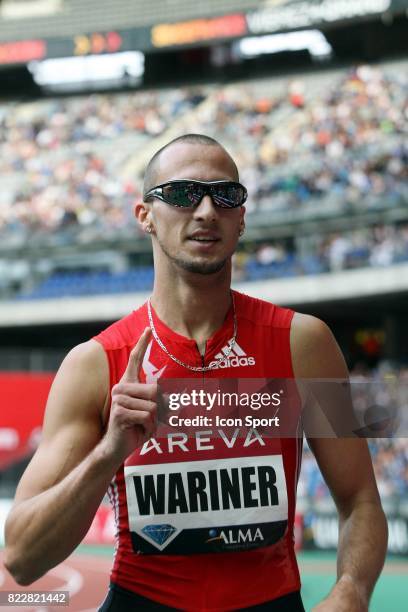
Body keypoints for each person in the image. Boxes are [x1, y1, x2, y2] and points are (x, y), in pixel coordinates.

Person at [4, 134, 387, 611]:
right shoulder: (94, 364)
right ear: (144, 215)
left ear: (241, 218)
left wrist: (352, 590)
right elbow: (20, 557)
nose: (206, 210)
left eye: (225, 195)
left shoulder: (304, 343)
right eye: (184, 194)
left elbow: (361, 502)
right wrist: (109, 452)